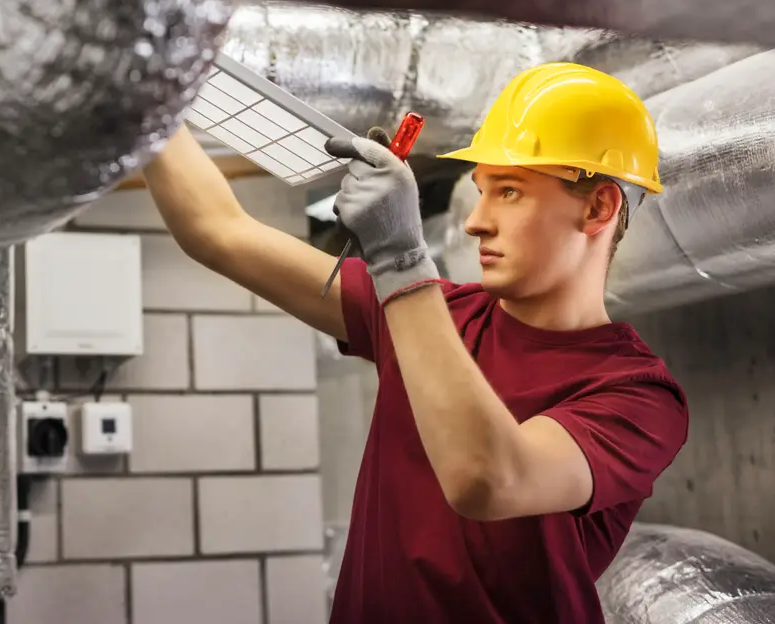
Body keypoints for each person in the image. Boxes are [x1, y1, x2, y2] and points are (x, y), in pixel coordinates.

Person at [142, 61, 689, 623]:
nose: (476, 221)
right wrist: (145, 89)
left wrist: (401, 259)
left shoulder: (638, 397)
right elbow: (218, 231)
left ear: (598, 207)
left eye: (509, 191)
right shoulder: (434, 313)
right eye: (480, 191)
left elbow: (488, 479)